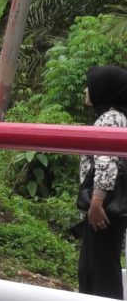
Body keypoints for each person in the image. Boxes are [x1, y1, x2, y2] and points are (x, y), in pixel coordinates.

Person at [78, 65, 127, 299]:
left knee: (99, 271)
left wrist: (96, 202)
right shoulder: (118, 116)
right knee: (97, 266)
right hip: (111, 206)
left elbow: (106, 161)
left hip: (105, 208)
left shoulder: (109, 118)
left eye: (92, 85)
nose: (87, 90)